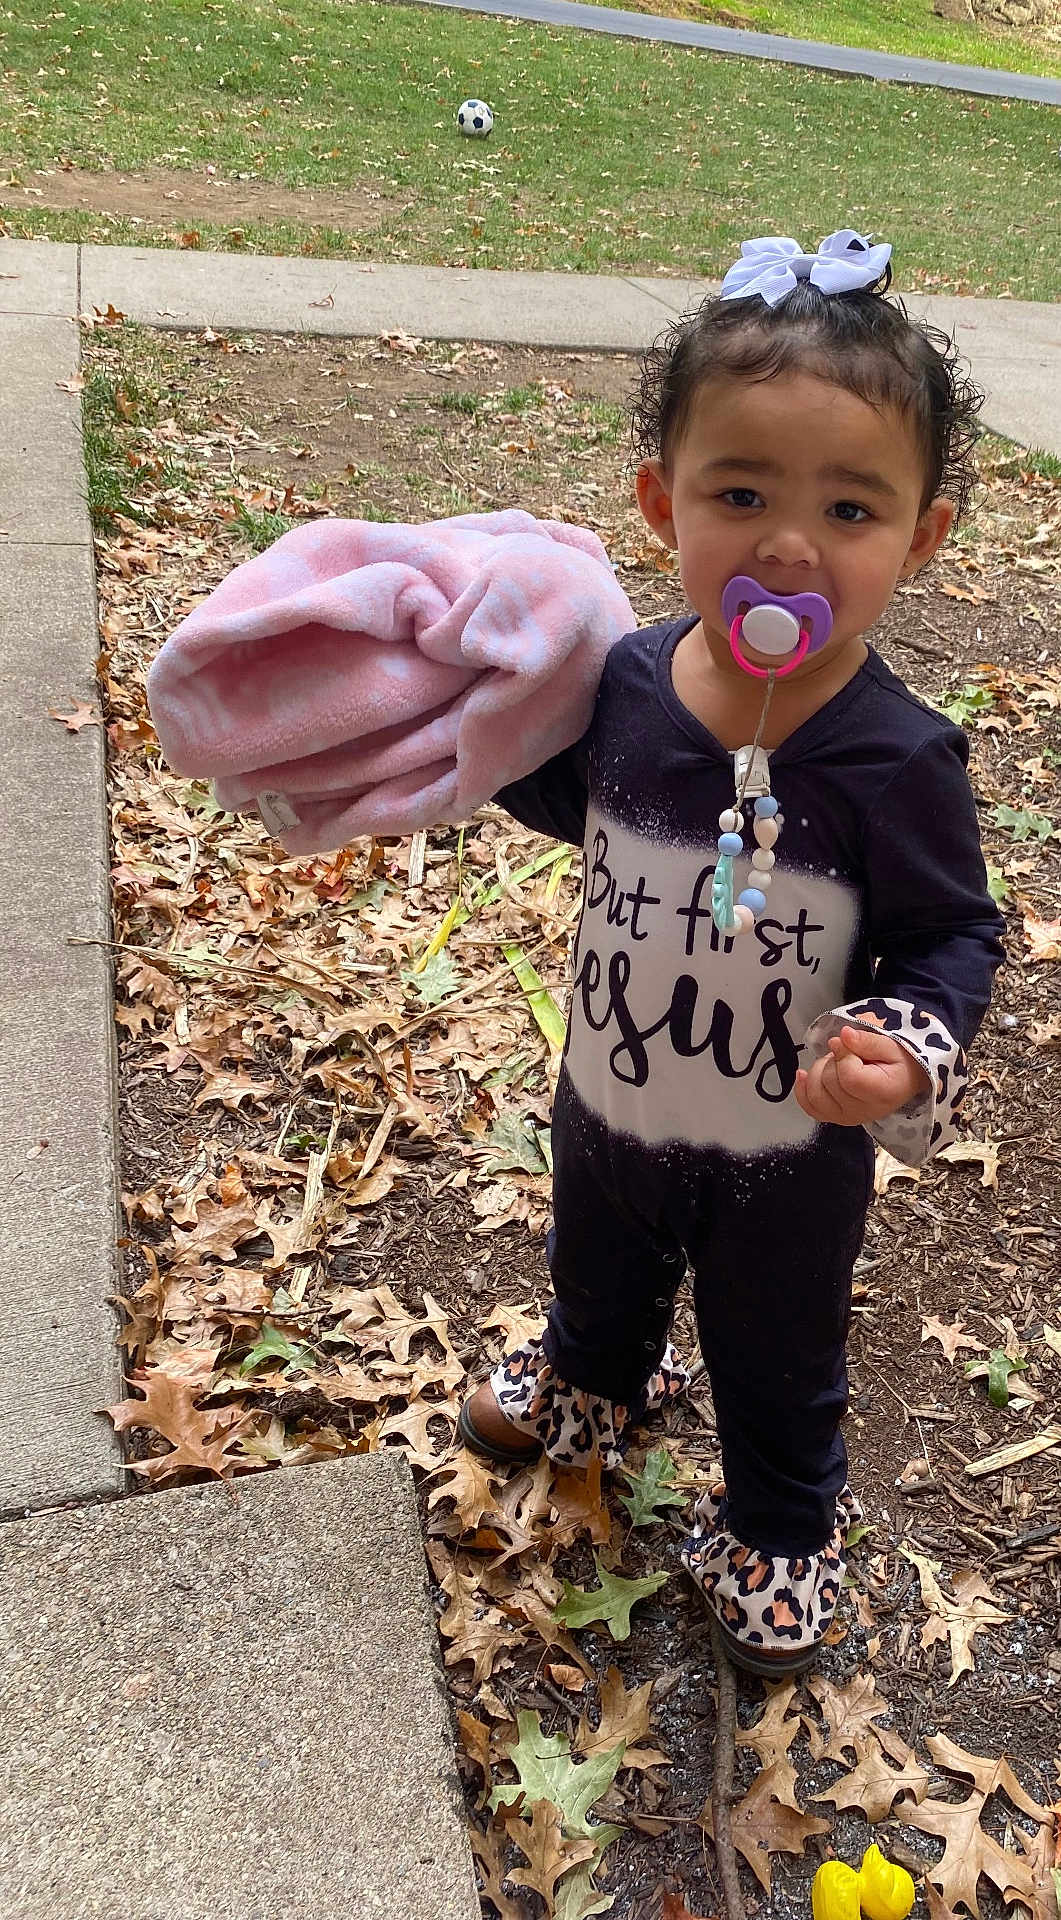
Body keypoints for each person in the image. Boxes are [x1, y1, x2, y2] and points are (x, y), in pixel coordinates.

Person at [456, 230, 1006, 1676]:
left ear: (920, 539)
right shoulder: (628, 681)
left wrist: (903, 1041)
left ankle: (775, 1529)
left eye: (848, 506)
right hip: (612, 1091)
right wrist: (459, 746)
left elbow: (955, 928)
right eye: (741, 492)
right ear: (661, 502)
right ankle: (590, 1384)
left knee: (776, 1351)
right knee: (596, 1260)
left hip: (783, 1148)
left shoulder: (894, 759)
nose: (786, 542)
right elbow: (573, 802)